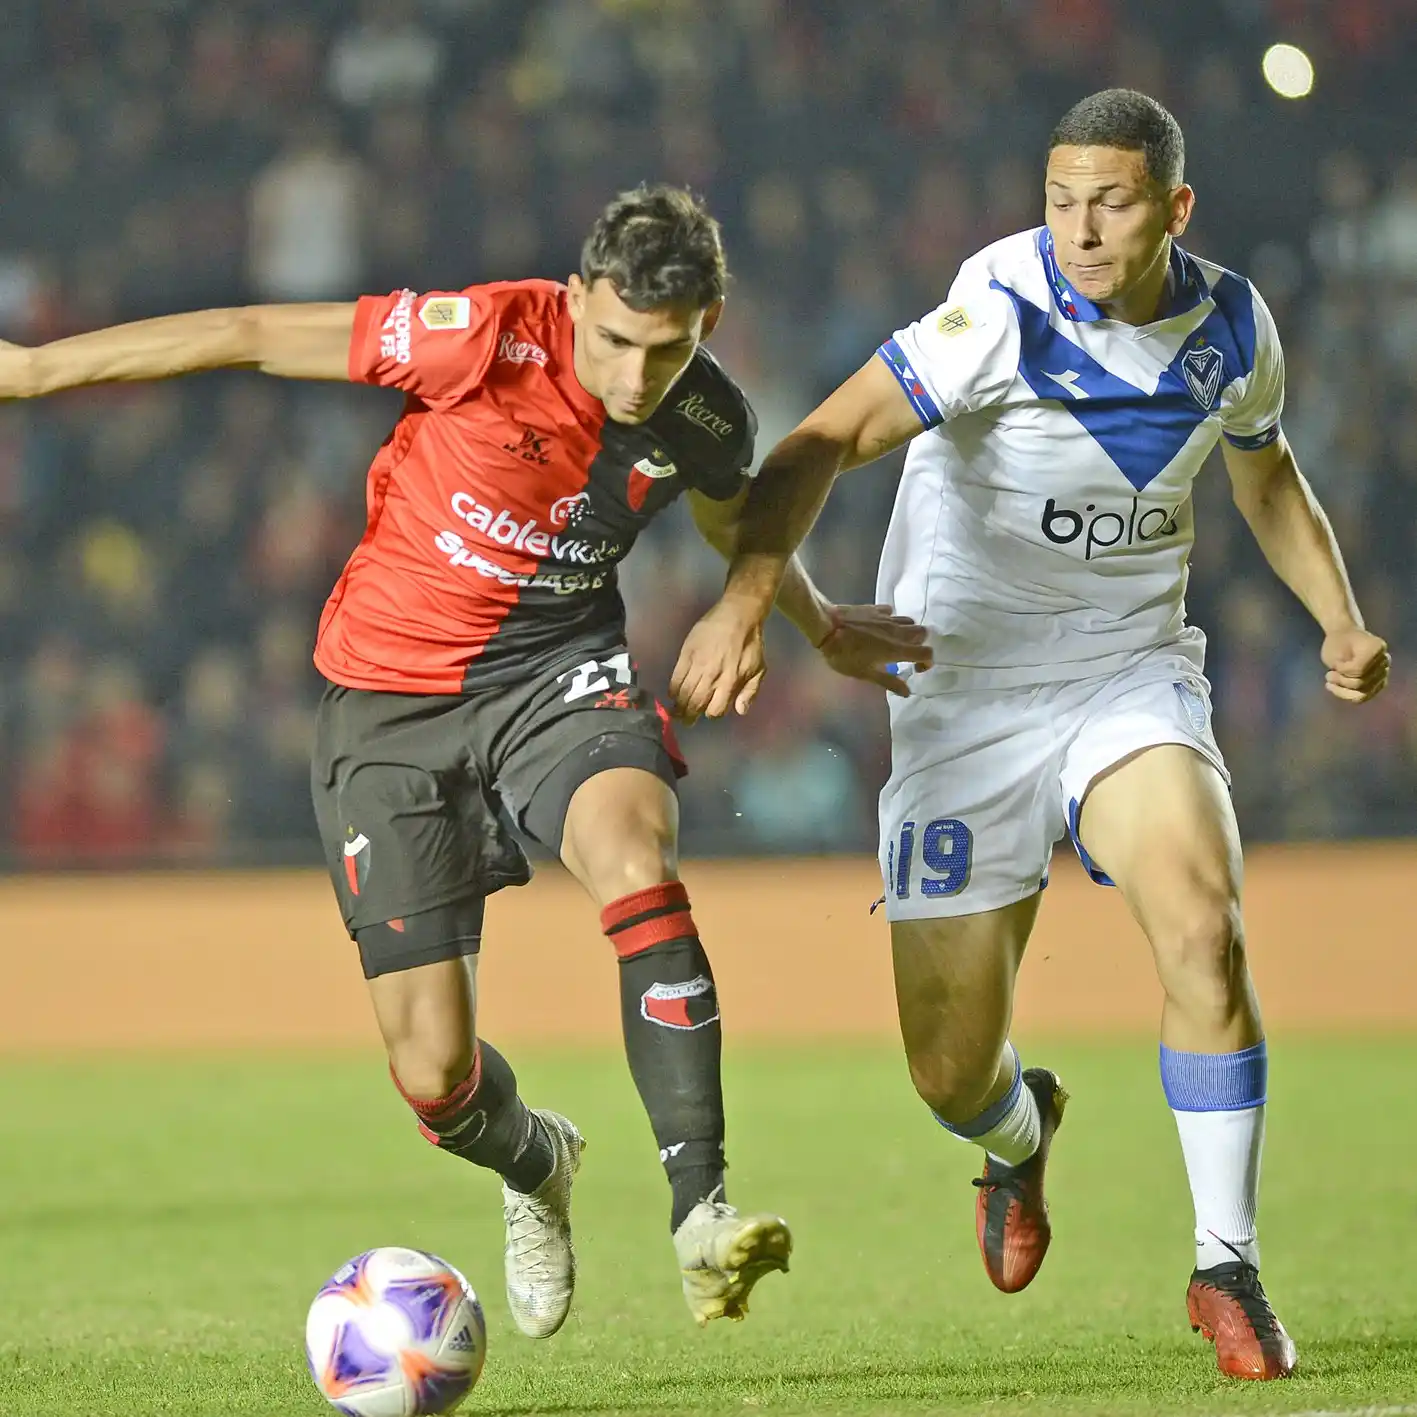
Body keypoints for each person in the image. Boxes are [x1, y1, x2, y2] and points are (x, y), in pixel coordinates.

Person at [0, 184, 927, 1336]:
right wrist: (33, 374)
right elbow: (246, 332)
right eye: (617, 341)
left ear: (711, 318)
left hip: (558, 670)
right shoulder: (482, 335)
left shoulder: (705, 417)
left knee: (635, 859)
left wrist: (811, 622)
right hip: (383, 705)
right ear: (578, 297)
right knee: (434, 1075)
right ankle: (537, 1161)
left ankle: (703, 1214)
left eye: (671, 347)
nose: (637, 376)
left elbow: (743, 528)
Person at [670, 92, 1390, 1380]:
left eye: (1109, 202)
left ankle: (1225, 1264)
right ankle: (1017, 1138)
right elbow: (825, 438)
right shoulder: (996, 310)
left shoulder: (1232, 325)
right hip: (962, 697)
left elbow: (1264, 473)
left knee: (1202, 922)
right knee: (948, 1074)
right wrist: (749, 601)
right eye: (1061, 198)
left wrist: (1337, 616)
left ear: (1174, 209)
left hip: (1126, 675)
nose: (1079, 227)